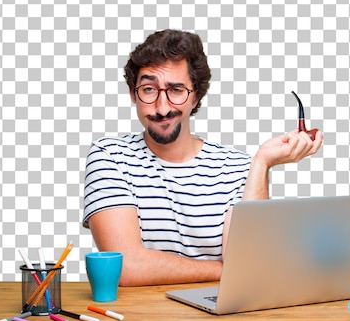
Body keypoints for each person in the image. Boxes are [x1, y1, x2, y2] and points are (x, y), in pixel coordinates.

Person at [82, 29, 323, 286]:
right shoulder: (110, 157)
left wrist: (261, 162)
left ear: (195, 95)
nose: (162, 108)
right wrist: (225, 270)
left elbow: (248, 266)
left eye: (176, 90)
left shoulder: (237, 167)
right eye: (149, 89)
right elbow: (127, 267)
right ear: (133, 93)